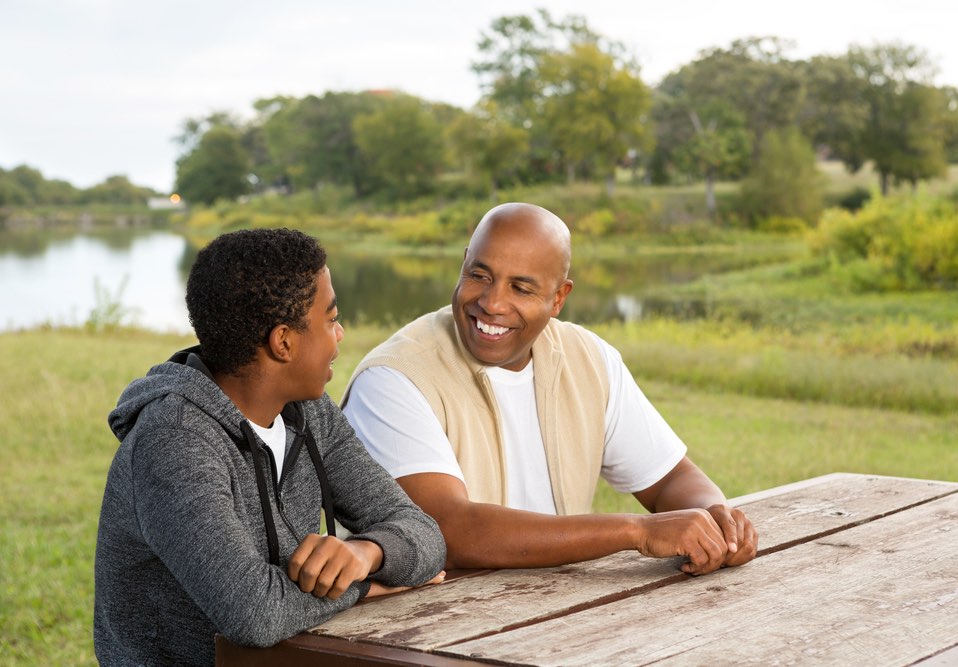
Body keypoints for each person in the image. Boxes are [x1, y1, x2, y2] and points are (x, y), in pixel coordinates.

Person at [341, 202, 757, 574]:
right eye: (479, 275)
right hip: (418, 637)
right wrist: (637, 531)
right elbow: (449, 531)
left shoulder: (588, 358)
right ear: (463, 264)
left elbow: (669, 480)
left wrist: (716, 521)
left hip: (550, 622)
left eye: (520, 288)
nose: (492, 302)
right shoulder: (394, 377)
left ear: (559, 298)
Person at [93, 228, 446, 666]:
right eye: (331, 319)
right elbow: (254, 613)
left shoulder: (309, 413)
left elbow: (422, 531)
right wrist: (372, 588)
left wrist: (366, 553)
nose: (341, 334)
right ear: (284, 342)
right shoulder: (173, 442)